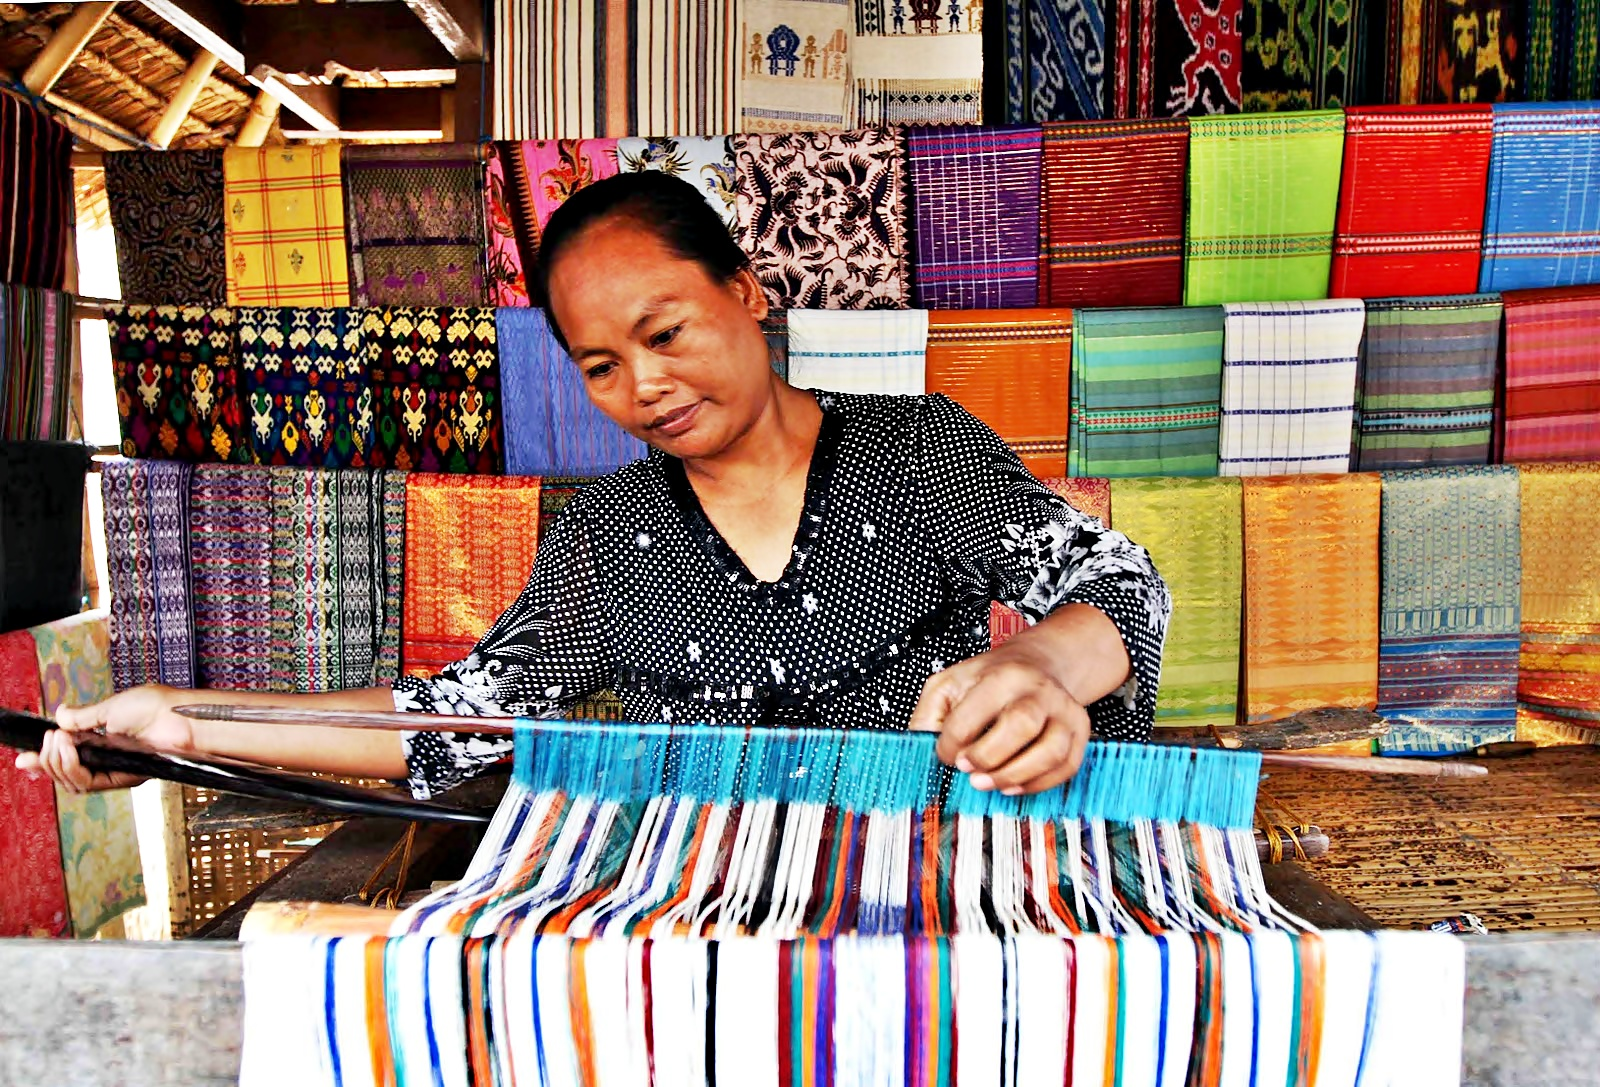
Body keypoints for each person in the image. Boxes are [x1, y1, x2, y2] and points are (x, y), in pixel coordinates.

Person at [18, 172, 1171, 802]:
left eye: (666, 331)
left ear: (746, 291)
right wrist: (187, 720)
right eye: (603, 365)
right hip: (711, 917)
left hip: (935, 902)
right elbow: (461, 722)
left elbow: (1115, 579)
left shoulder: (913, 453)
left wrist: (1034, 667)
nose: (648, 385)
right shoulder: (606, 535)